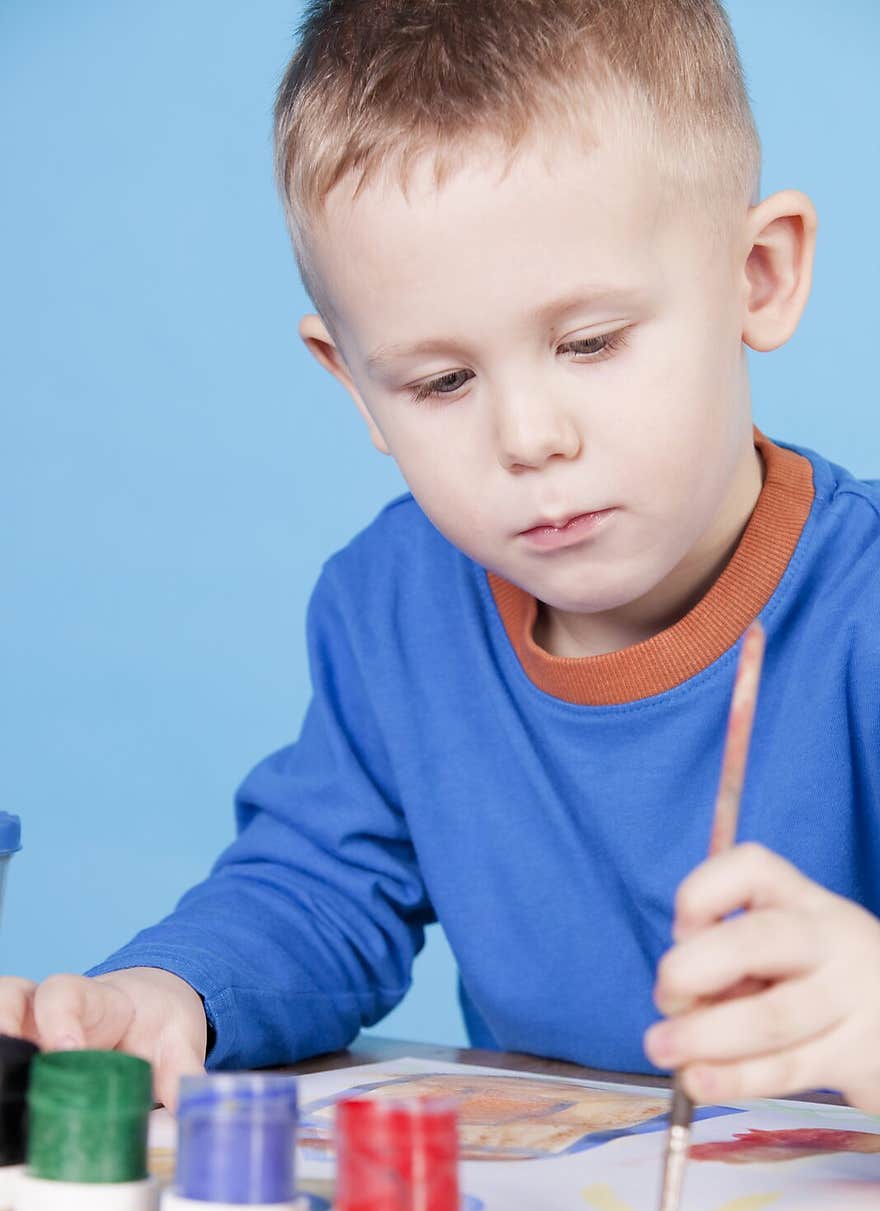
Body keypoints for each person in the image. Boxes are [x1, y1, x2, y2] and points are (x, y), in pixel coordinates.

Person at [3, 1, 879, 1115]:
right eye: (440, 382)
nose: (528, 437)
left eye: (591, 342)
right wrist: (173, 994)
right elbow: (317, 892)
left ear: (757, 275)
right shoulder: (391, 607)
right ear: (354, 383)